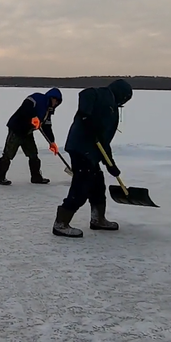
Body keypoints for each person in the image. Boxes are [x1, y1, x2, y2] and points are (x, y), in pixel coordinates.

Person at [51, 79, 133, 238]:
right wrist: (85, 116)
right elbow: (85, 94)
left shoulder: (111, 107)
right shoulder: (102, 95)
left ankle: (98, 219)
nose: (123, 102)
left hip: (92, 151)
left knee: (97, 185)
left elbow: (103, 140)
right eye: (124, 98)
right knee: (82, 185)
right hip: (81, 147)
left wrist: (111, 164)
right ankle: (61, 223)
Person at [0, 87, 63, 185]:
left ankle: (36, 177)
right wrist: (33, 116)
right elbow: (26, 106)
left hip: (27, 133)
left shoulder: (48, 111)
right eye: (55, 100)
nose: (55, 103)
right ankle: (0, 177)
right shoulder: (38, 98)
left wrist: (52, 142)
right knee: (8, 154)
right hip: (17, 129)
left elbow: (47, 127)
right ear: (51, 97)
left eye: (57, 102)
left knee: (33, 154)